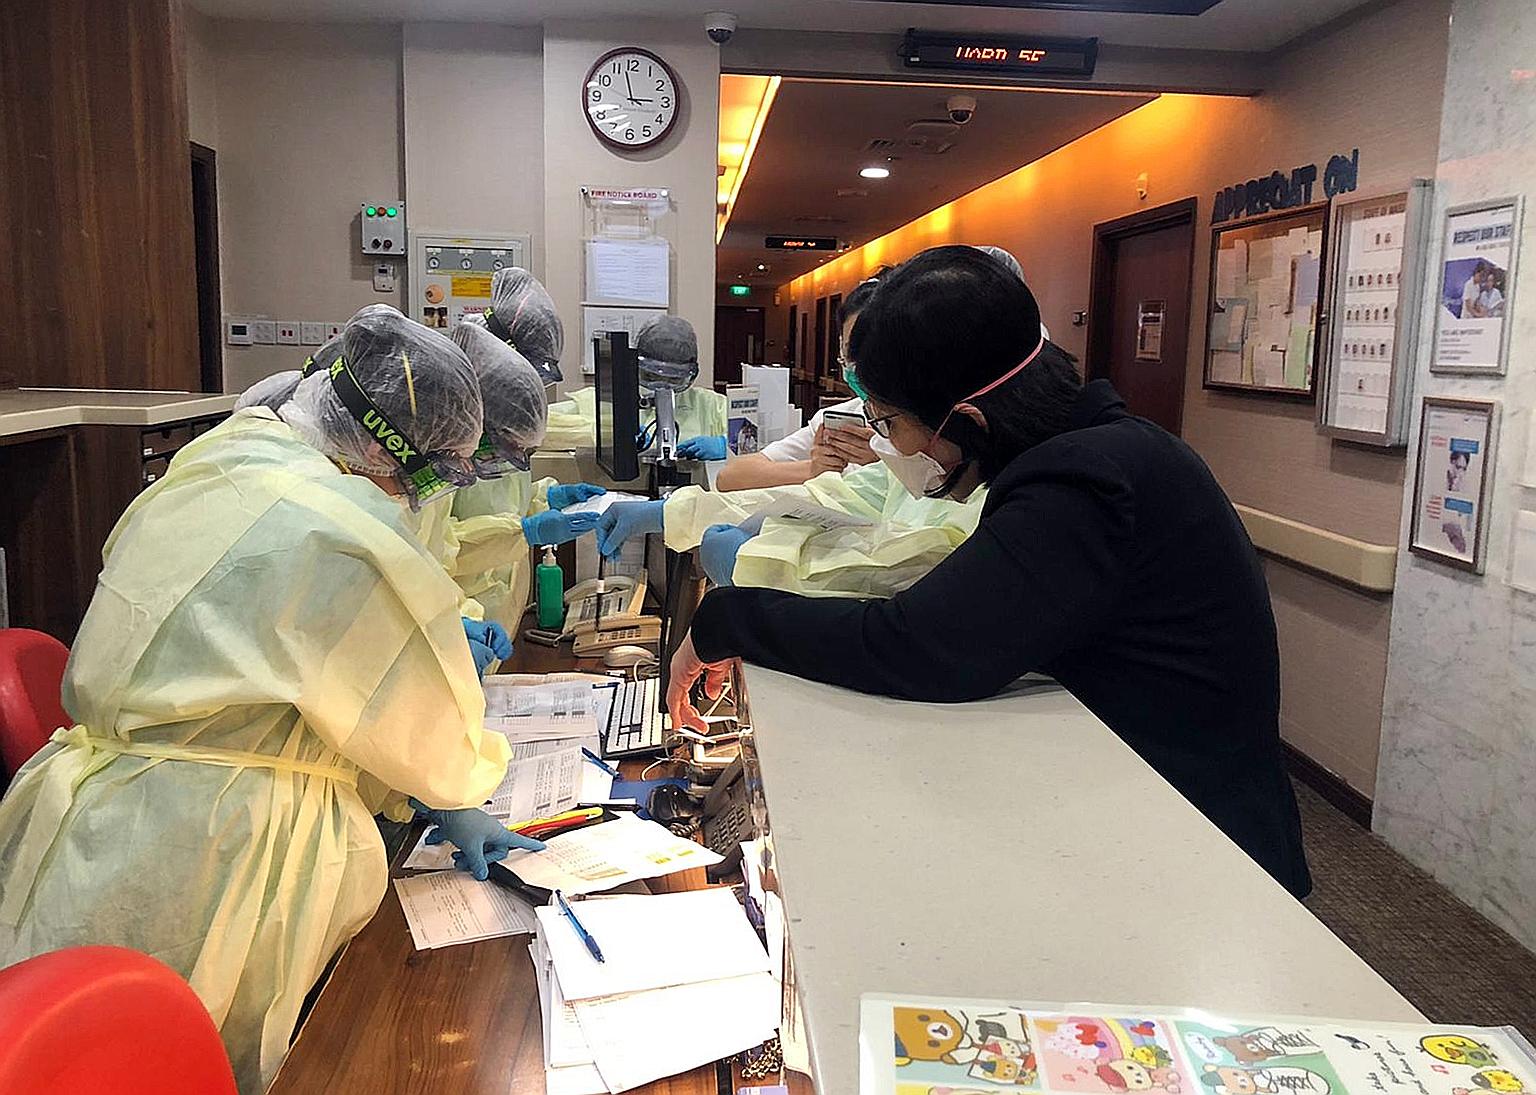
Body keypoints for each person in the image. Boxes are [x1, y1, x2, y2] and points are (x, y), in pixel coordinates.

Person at [0, 304, 543, 1093]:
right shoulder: (338, 526)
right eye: (424, 477)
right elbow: (415, 722)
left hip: (91, 821)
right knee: (189, 1054)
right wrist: (457, 789)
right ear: (388, 449)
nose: (417, 497)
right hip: (212, 850)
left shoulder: (231, 454)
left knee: (84, 1048)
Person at [666, 246, 1311, 897]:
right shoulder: (1106, 448)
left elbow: (920, 644)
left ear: (968, 420)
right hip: (1145, 810)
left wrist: (729, 618)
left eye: (890, 424)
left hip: (1208, 854)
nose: (889, 447)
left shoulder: (1080, 483)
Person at [419, 320, 605, 635]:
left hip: (501, 605)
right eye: (509, 448)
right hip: (457, 616)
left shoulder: (500, 428)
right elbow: (436, 548)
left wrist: (547, 499)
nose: (513, 458)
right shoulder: (438, 457)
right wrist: (523, 533)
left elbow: (507, 499)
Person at [715, 275, 884, 491]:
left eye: (874, 350)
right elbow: (731, 477)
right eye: (853, 351)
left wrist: (885, 464)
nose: (863, 363)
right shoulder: (841, 420)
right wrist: (816, 469)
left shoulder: (927, 429)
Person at [544, 315, 728, 458]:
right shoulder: (601, 401)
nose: (661, 386)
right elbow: (532, 426)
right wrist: (604, 433)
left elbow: (753, 440)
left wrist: (725, 446)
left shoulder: (711, 406)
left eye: (673, 379)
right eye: (650, 375)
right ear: (633, 366)